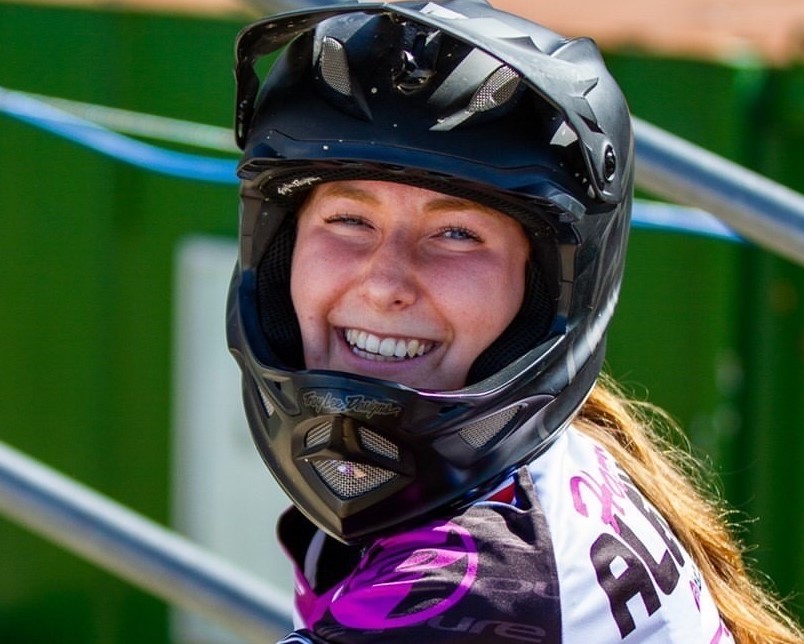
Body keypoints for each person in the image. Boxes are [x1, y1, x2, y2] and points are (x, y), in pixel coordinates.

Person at [225, 1, 804, 641]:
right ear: (281, 249)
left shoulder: (490, 595)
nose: (386, 283)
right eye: (349, 220)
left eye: (456, 233)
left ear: (540, 291)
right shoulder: (554, 475)